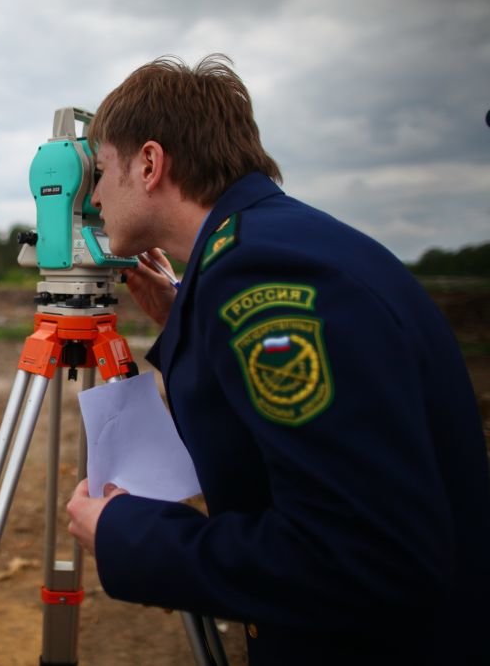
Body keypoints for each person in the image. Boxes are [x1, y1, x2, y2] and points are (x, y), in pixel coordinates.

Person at [65, 54, 490, 665]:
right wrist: (192, 315)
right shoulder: (272, 249)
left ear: (151, 164)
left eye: (100, 173)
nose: (95, 196)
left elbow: (362, 557)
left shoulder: (263, 280)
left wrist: (127, 536)